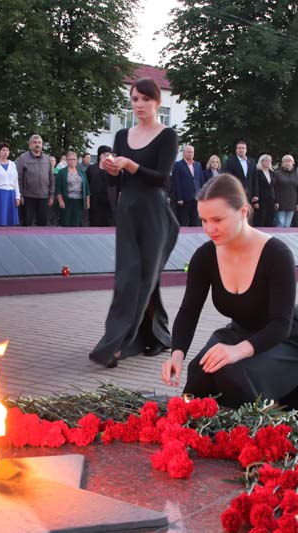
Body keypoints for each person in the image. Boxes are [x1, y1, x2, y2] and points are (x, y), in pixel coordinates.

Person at [161, 174, 298, 418]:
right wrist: (177, 354)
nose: (209, 229)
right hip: (242, 331)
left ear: (243, 211)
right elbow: (188, 311)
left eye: (217, 219)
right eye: (204, 220)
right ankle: (191, 432)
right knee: (200, 370)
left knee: (233, 371)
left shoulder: (277, 254)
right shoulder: (205, 256)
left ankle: (256, 435)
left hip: (289, 338)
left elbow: (280, 324)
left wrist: (236, 351)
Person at [89, 78, 179, 368]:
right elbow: (116, 180)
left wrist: (130, 165)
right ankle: (155, 336)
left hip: (154, 213)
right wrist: (111, 169)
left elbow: (162, 177)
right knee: (129, 278)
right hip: (127, 210)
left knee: (144, 278)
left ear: (157, 102)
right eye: (135, 99)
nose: (139, 104)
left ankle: (122, 344)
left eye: (145, 99)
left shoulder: (167, 135)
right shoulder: (121, 135)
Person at [16, 135, 54, 226]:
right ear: (30, 145)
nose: (37, 144)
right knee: (26, 223)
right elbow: (18, 178)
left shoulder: (47, 159)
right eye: (35, 142)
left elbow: (51, 178)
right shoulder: (23, 158)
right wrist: (20, 195)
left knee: (42, 224)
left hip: (44, 197)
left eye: (39, 143)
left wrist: (52, 195)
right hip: (28, 197)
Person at [0, 142, 20, 226]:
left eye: (7, 150)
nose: (5, 152)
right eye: (3, 150)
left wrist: (17, 196)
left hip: (11, 194)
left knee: (10, 220)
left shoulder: (13, 164)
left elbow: (16, 182)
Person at [55, 151, 90, 227]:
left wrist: (87, 201)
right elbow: (58, 188)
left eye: (74, 159)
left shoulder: (82, 172)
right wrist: (60, 201)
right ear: (67, 160)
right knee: (66, 221)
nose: (72, 161)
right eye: (70, 159)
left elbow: (86, 188)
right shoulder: (62, 172)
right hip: (67, 200)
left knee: (77, 222)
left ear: (77, 160)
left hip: (79, 201)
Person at [172, 145, 203, 226]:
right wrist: (179, 198)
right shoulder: (177, 165)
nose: (190, 154)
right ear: (184, 153)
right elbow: (176, 182)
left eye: (192, 152)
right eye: (188, 152)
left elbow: (201, 181)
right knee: (183, 222)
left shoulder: (198, 165)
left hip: (196, 199)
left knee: (195, 223)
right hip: (184, 200)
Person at [87, 145, 114, 226]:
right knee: (95, 222)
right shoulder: (92, 168)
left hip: (109, 201)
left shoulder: (112, 168)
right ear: (100, 155)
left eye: (109, 154)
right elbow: (87, 183)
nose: (107, 156)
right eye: (105, 154)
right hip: (95, 200)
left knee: (108, 223)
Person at [273, 155, 298, 227]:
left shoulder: (297, 175)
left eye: (289, 161)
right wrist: (276, 201)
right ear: (282, 163)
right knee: (280, 223)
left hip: (292, 204)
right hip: (280, 204)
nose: (287, 163)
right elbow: (274, 188)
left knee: (287, 225)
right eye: (285, 161)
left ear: (293, 163)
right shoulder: (277, 174)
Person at [252, 154, 277, 227]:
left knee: (270, 219)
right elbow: (255, 186)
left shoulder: (272, 173)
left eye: (269, 161)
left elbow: (275, 187)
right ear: (261, 161)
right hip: (261, 199)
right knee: (260, 218)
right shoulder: (257, 172)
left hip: (271, 199)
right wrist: (256, 201)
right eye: (266, 160)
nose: (268, 162)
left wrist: (276, 201)